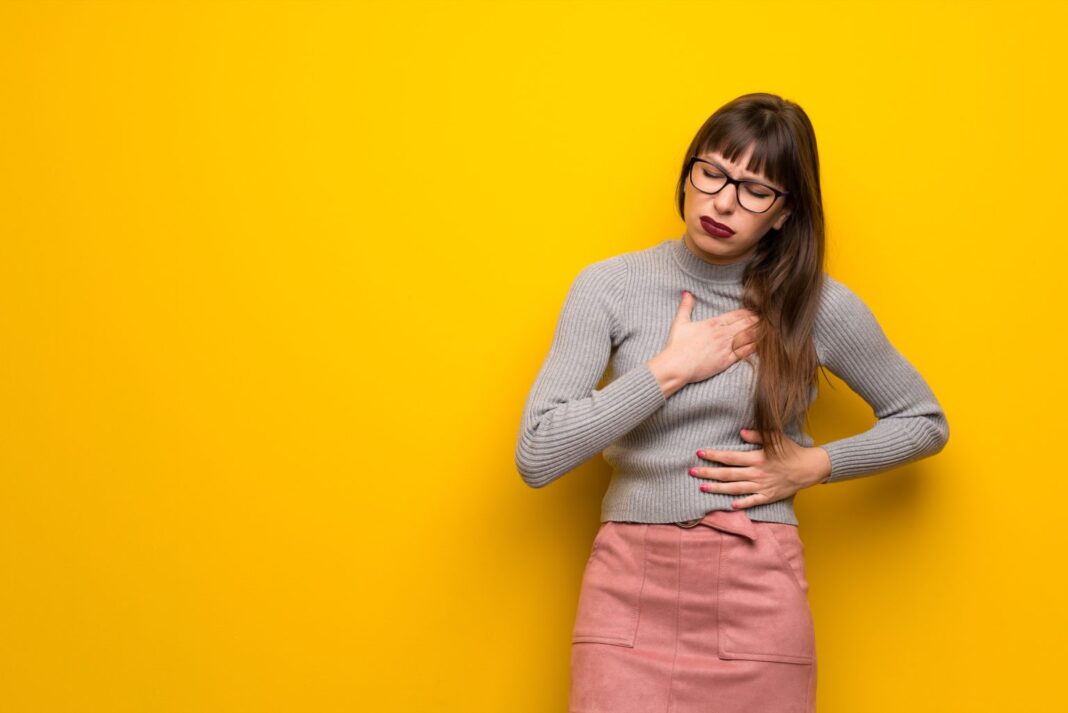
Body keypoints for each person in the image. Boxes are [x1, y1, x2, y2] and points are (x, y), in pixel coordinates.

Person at [513, 92, 950, 713]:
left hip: (755, 587)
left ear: (785, 212)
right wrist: (669, 370)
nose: (723, 201)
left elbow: (923, 421)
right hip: (627, 587)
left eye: (755, 190)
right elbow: (538, 453)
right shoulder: (609, 286)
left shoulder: (815, 305)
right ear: (688, 172)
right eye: (713, 173)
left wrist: (812, 465)